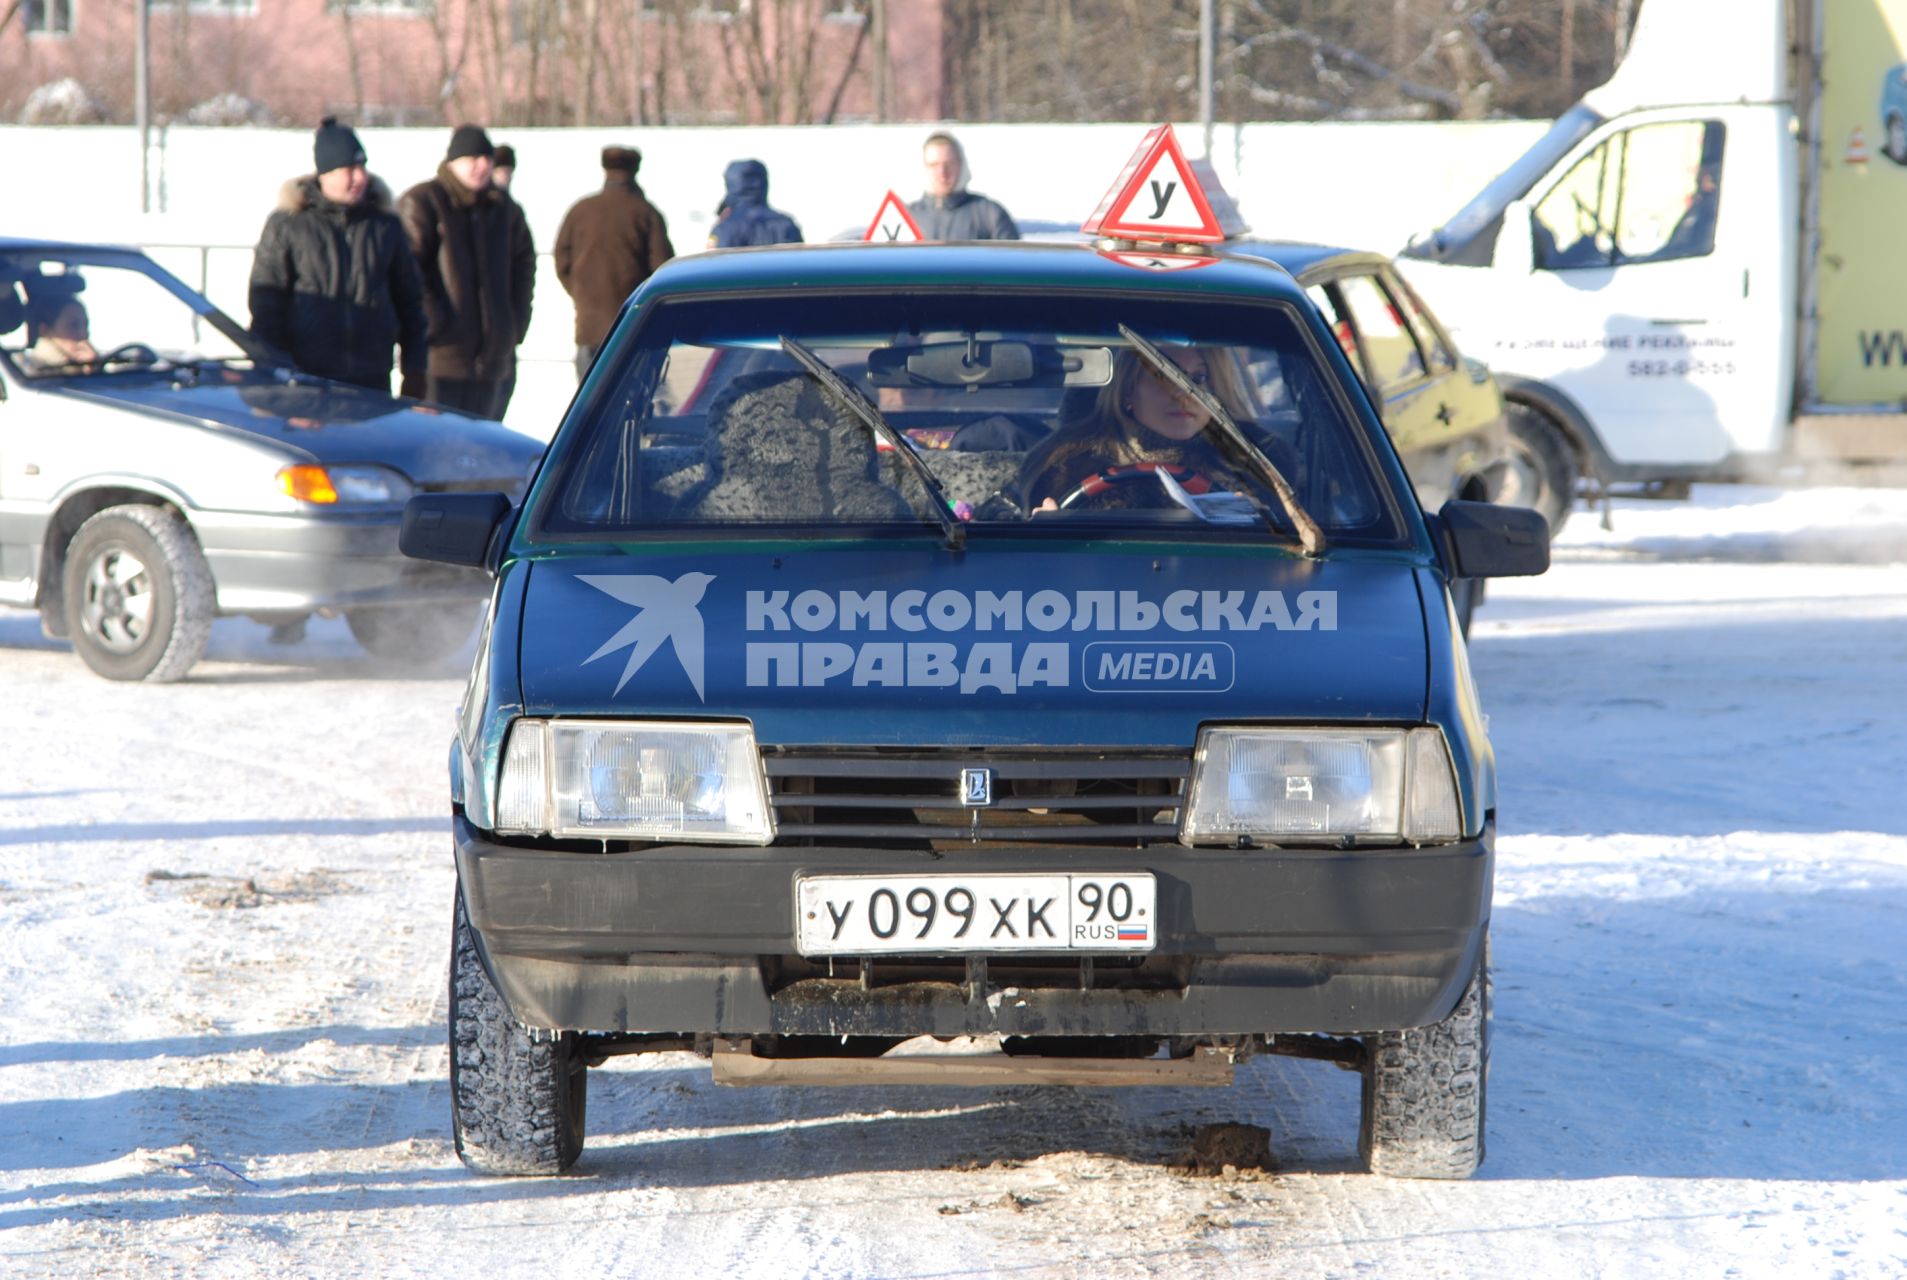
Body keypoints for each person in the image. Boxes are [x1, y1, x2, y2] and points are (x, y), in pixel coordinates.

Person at [248, 117, 427, 394]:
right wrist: (276, 375)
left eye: (362, 167)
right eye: (348, 169)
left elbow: (410, 302)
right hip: (306, 382)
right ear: (326, 173)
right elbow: (266, 305)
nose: (359, 178)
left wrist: (415, 370)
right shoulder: (289, 224)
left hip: (372, 379)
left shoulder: (384, 224)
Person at [397, 123, 536, 417]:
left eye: (487, 159)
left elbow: (524, 265)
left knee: (480, 454)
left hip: (493, 358)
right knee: (433, 450)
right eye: (472, 159)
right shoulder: (424, 202)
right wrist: (434, 323)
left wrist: (513, 324)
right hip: (440, 359)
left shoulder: (504, 208)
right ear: (453, 162)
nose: (482, 166)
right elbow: (406, 271)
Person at [1017, 346, 1251, 511]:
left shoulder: (1256, 467)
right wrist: (1045, 531)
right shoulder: (1063, 464)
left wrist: (1260, 526)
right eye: (1164, 376)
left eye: (1198, 378)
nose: (1184, 394)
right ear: (1127, 390)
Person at [554, 144, 675, 383]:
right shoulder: (646, 213)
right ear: (634, 171)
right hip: (633, 325)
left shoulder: (581, 210)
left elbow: (562, 261)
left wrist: (581, 293)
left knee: (590, 402)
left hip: (589, 325)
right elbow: (663, 270)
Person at [486, 142, 532, 417]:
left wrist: (517, 324)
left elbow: (524, 268)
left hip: (503, 325)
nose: (504, 177)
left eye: (508, 172)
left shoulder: (511, 213)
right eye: (500, 170)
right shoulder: (470, 212)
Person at [907, 132, 1019, 241]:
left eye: (949, 164)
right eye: (934, 165)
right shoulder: (906, 218)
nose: (942, 172)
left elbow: (1014, 258)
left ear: (961, 165)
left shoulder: (990, 215)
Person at [706, 159, 802, 249]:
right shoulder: (786, 224)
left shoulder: (726, 227)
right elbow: (799, 262)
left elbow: (715, 262)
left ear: (731, 185)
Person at [18, 295, 99, 373]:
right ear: (44, 330)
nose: (84, 335)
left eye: (85, 325)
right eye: (73, 325)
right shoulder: (28, 370)